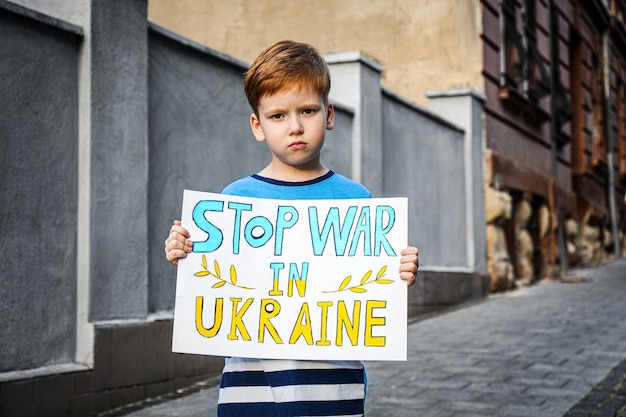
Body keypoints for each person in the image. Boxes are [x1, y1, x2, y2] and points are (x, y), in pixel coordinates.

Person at [164, 40, 419, 417]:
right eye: (278, 115)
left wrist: (400, 272)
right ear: (258, 125)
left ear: (328, 115)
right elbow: (214, 280)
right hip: (249, 385)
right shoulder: (235, 200)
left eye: (308, 111)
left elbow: (373, 287)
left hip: (332, 387)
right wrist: (184, 252)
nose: (295, 126)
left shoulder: (356, 199)